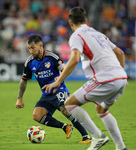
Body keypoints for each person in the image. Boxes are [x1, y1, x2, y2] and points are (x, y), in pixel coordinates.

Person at [42, 7, 128, 150]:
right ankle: (121, 147)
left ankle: (97, 137)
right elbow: (120, 53)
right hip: (121, 78)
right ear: (86, 20)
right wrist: (121, 74)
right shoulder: (98, 34)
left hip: (104, 80)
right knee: (101, 109)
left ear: (70, 23)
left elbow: (75, 59)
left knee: (68, 104)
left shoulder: (77, 36)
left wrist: (58, 81)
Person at [15, 34, 92, 143]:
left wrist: (59, 78)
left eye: (33, 47)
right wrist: (20, 98)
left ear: (40, 46)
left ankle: (86, 136)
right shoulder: (29, 62)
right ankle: (65, 127)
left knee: (65, 110)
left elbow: (64, 68)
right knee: (37, 115)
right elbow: (24, 80)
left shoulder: (52, 57)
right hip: (46, 94)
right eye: (29, 48)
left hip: (59, 89)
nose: (31, 51)